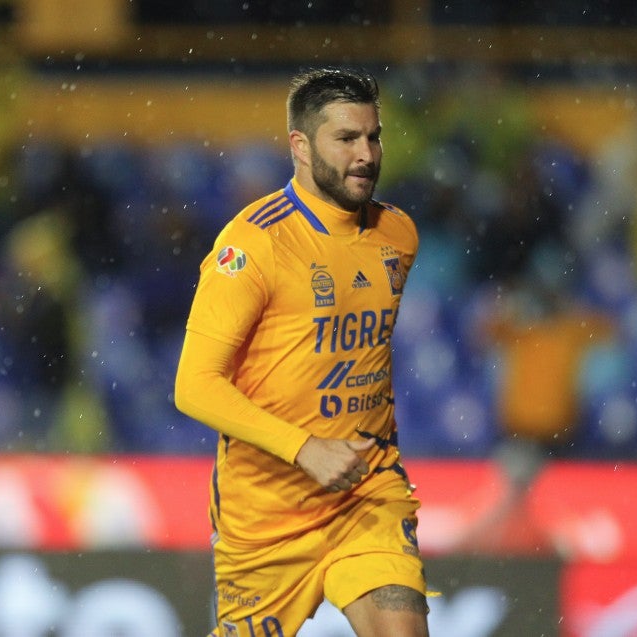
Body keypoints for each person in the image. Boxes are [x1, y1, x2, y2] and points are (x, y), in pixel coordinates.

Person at [174, 67, 429, 636]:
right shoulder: (252, 244)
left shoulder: (398, 235)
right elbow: (193, 384)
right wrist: (304, 448)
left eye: (373, 136)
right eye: (346, 139)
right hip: (265, 517)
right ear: (300, 145)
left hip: (366, 492)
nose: (366, 154)